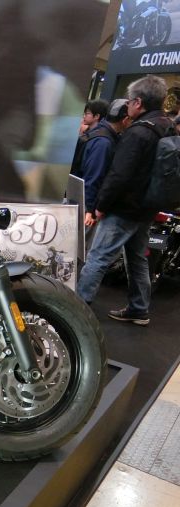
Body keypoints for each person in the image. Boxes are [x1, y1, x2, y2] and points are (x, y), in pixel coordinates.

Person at [75, 74, 172, 326]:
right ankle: (139, 308)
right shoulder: (167, 126)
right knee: (137, 259)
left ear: (138, 102)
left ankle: (76, 311)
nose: (127, 105)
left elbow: (119, 175)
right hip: (147, 207)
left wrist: (100, 206)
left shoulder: (138, 132)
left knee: (97, 257)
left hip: (124, 208)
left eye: (130, 101)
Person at [75, 99, 130, 230]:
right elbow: (93, 176)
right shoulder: (104, 143)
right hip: (85, 207)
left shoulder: (98, 133)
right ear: (125, 120)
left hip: (78, 199)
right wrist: (88, 208)